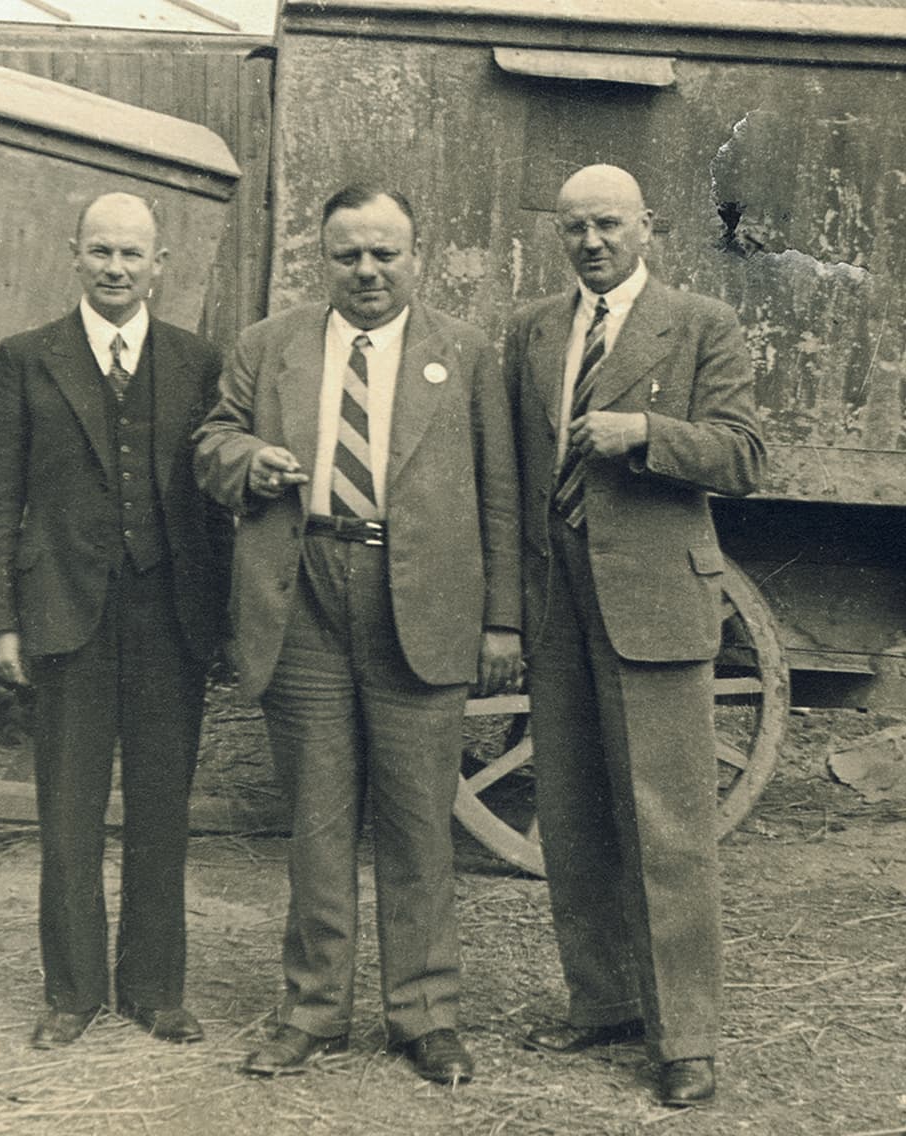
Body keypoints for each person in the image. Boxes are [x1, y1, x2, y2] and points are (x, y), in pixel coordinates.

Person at [194, 185, 522, 1084]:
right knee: (317, 818)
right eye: (349, 256)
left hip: (418, 600)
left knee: (419, 824)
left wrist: (503, 618)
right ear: (322, 259)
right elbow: (210, 440)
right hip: (301, 595)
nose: (368, 272)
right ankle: (313, 1010)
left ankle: (425, 1016)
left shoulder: (465, 354)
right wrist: (248, 461)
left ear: (417, 255)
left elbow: (501, 492)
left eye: (385, 254)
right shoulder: (272, 347)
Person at [503, 164, 765, 1107]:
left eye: (608, 225)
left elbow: (744, 454)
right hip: (557, 598)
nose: (592, 243)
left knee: (667, 826)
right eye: (574, 229)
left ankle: (686, 1036)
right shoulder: (535, 329)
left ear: (647, 226)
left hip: (656, 602)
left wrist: (645, 432)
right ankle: (603, 1003)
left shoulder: (700, 325)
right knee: (569, 811)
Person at [0, 192, 228, 1049]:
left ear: (161, 265)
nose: (116, 269)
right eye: (101, 252)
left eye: (133, 255)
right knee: (69, 811)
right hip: (64, 613)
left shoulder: (198, 361)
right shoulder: (25, 359)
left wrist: (223, 621)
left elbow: (215, 508)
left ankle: (156, 990)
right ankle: (71, 992)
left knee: (163, 808)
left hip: (169, 616)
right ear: (72, 255)